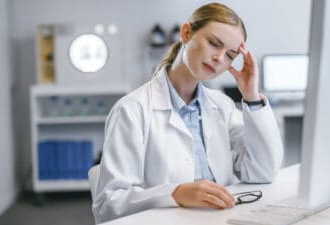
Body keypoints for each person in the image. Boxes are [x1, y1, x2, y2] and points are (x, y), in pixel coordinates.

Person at [92, 3, 283, 223]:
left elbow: (263, 171)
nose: (220, 58)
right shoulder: (132, 110)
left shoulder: (222, 106)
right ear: (186, 33)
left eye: (230, 55)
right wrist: (175, 193)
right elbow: (108, 204)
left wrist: (251, 96)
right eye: (213, 43)